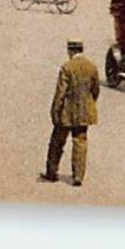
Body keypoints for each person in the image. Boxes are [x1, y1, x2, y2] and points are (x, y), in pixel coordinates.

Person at [42, 39, 100, 187]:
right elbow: (95, 90)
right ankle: (78, 176)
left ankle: (51, 172)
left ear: (71, 51)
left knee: (57, 142)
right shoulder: (91, 66)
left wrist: (55, 112)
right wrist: (89, 104)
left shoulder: (66, 68)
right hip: (84, 112)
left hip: (67, 112)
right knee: (80, 142)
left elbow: (60, 93)